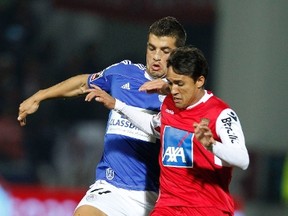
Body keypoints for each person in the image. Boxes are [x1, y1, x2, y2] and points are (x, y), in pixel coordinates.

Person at [17, 16, 187, 216]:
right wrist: (40, 95)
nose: (156, 56)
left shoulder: (183, 95)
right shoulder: (123, 73)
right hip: (111, 189)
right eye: (152, 48)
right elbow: (83, 83)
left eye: (165, 51)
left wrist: (172, 89)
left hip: (157, 197)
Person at [85, 45, 250, 215]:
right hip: (168, 207)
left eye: (180, 84)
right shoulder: (169, 105)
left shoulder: (221, 114)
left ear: (199, 81)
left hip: (207, 209)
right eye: (170, 83)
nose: (174, 91)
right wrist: (118, 105)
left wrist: (212, 145)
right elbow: (153, 125)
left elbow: (242, 159)